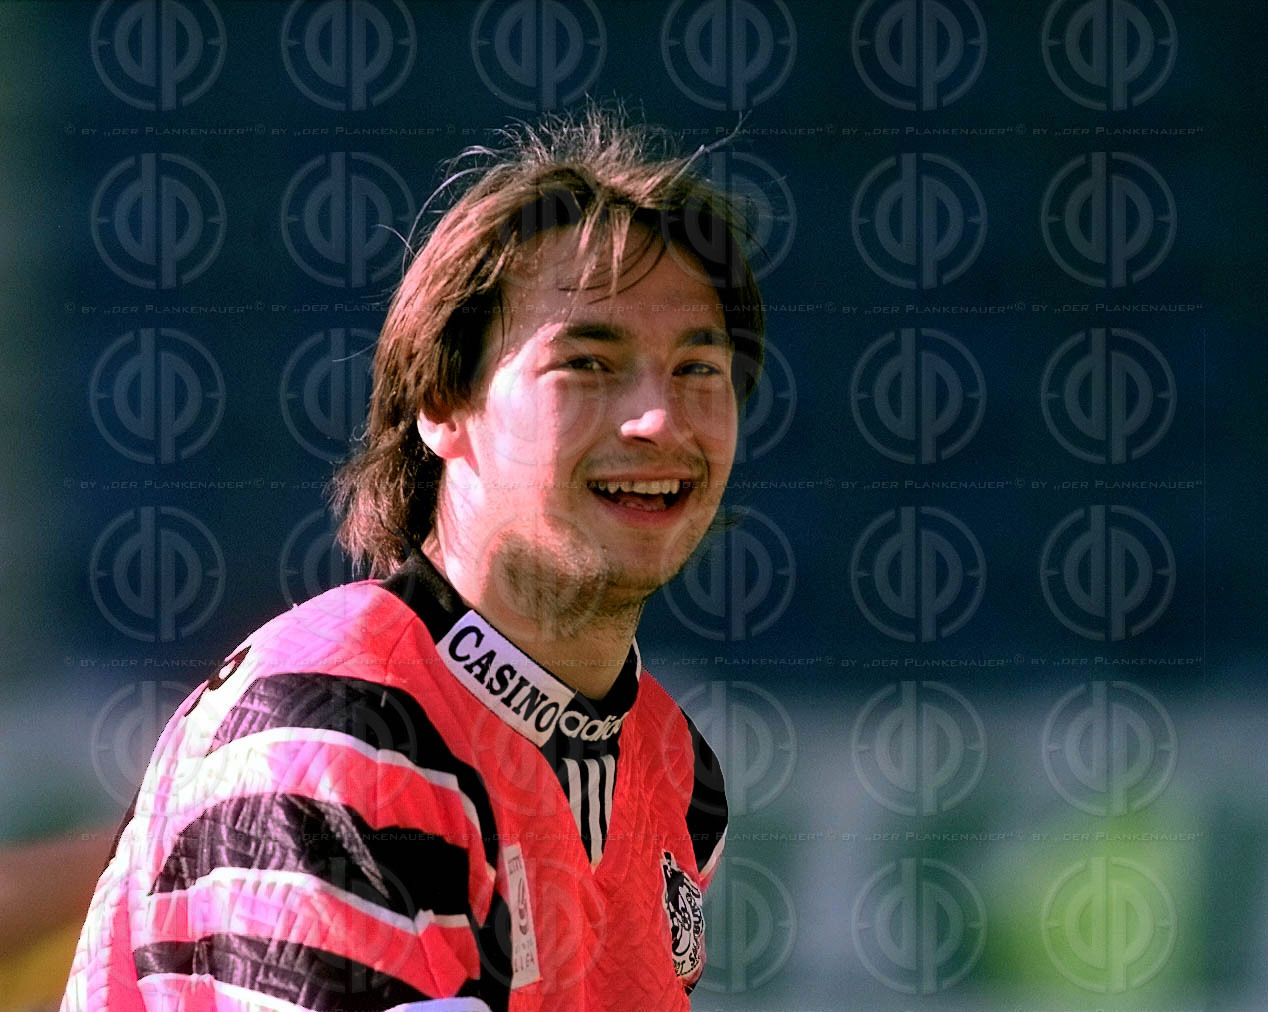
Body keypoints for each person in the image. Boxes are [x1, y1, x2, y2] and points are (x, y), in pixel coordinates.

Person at [61, 102, 766, 1011]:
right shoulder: (338, 726)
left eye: (698, 369)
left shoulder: (675, 769)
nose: (659, 419)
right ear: (440, 401)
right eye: (589, 364)